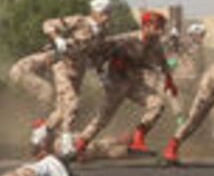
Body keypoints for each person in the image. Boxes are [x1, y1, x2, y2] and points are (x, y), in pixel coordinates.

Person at [73, 9, 176, 156]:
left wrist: (169, 80)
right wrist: (101, 69)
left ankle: (138, 139)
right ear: (146, 26)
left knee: (157, 104)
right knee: (103, 118)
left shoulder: (155, 43)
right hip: (117, 83)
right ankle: (80, 145)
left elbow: (163, 61)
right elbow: (99, 50)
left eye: (161, 27)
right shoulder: (127, 39)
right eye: (157, 27)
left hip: (135, 83)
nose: (160, 31)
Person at [32, 0, 115, 158]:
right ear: (95, 12)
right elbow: (48, 24)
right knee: (73, 102)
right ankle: (66, 141)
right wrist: (57, 38)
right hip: (62, 66)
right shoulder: (79, 21)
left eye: (109, 14)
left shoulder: (103, 30)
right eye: (104, 13)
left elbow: (96, 53)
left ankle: (42, 132)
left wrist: (102, 74)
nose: (107, 17)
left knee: (62, 111)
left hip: (78, 70)